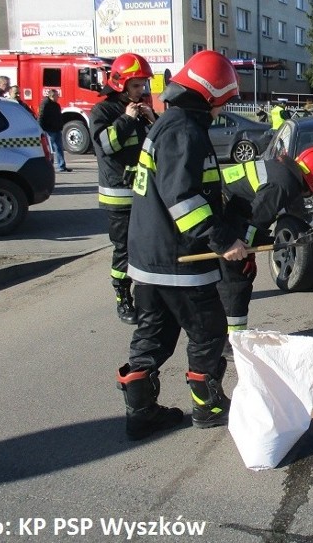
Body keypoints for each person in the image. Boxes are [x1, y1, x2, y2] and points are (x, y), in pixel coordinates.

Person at [116, 50, 247, 441]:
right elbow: (184, 199)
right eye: (220, 102)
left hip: (150, 259)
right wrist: (223, 241)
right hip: (180, 261)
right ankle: (208, 408)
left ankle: (141, 414)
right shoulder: (183, 130)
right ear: (208, 95)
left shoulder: (167, 124)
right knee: (208, 331)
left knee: (152, 335)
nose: (221, 110)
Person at [217, 146, 313, 337]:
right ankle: (232, 340)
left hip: (229, 207)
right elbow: (254, 222)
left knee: (226, 277)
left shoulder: (283, 169)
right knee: (237, 280)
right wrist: (245, 253)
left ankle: (227, 334)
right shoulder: (284, 184)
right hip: (224, 213)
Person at [90, 53, 156, 325]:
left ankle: (148, 294)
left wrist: (153, 120)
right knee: (124, 250)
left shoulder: (140, 110)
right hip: (118, 196)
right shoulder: (102, 112)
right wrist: (127, 119)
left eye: (143, 86)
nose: (141, 91)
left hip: (143, 193)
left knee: (147, 246)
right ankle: (122, 298)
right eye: (136, 86)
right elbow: (108, 146)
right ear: (121, 84)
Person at [38, 89, 71, 172]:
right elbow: (41, 116)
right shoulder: (45, 104)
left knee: (59, 148)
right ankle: (49, 166)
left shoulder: (56, 105)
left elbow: (58, 116)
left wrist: (60, 125)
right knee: (50, 149)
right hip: (49, 130)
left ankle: (62, 166)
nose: (58, 97)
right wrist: (41, 128)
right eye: (57, 95)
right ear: (52, 96)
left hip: (57, 129)